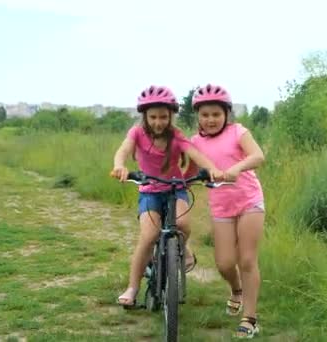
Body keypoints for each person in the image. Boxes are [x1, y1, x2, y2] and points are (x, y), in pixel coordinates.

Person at [110, 85, 223, 307]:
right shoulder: (137, 133)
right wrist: (119, 165)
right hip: (149, 190)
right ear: (145, 116)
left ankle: (184, 248)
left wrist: (213, 170)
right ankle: (132, 288)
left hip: (174, 188)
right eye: (153, 117)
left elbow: (196, 155)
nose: (158, 122)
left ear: (171, 115)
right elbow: (123, 150)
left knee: (183, 223)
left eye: (163, 116)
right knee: (148, 236)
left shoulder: (176, 136)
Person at [188, 84, 265, 338]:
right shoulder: (195, 142)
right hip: (221, 206)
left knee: (246, 259)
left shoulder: (238, 132)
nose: (210, 119)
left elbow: (258, 156)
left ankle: (250, 318)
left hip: (249, 201)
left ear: (226, 114)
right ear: (197, 116)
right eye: (205, 114)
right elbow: (189, 171)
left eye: (216, 114)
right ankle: (236, 290)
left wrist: (237, 168)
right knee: (223, 263)